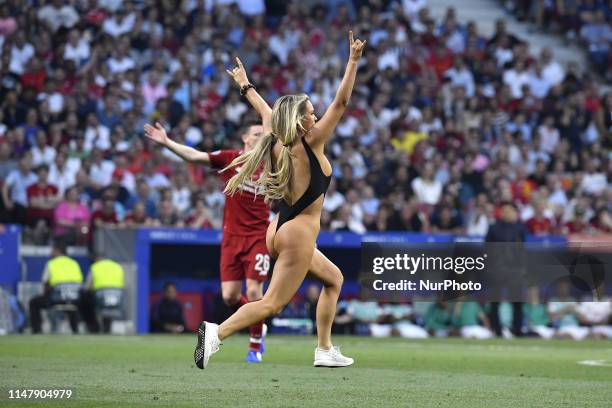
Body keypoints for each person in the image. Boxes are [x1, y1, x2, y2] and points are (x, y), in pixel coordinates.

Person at [192, 31, 366, 369]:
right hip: (298, 234)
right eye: (312, 113)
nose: (316, 117)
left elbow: (264, 109)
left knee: (334, 279)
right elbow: (341, 103)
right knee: (272, 304)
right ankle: (216, 333)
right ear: (301, 120)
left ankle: (324, 349)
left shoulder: (274, 140)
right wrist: (353, 61)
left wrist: (245, 85)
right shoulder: (310, 142)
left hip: (278, 228)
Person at [144, 120, 271, 363]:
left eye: (264, 133)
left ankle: (255, 345)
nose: (262, 136)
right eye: (257, 133)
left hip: (258, 237)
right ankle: (258, 322)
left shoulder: (272, 165)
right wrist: (167, 142)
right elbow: (194, 156)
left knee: (254, 289)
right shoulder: (231, 159)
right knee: (230, 297)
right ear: (245, 138)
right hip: (231, 238)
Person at [29, 242, 83, 334]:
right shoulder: (74, 263)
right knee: (71, 305)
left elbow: (45, 282)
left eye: (52, 250)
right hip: (74, 298)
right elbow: (80, 282)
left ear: (57, 251)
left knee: (33, 303)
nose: (51, 253)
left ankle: (37, 330)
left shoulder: (52, 263)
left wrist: (45, 294)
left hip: (56, 298)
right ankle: (75, 330)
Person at [80, 254, 125, 333]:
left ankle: (93, 327)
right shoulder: (117, 266)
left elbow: (87, 286)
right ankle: (106, 327)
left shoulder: (95, 267)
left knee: (86, 301)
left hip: (101, 295)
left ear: (97, 259)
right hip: (117, 295)